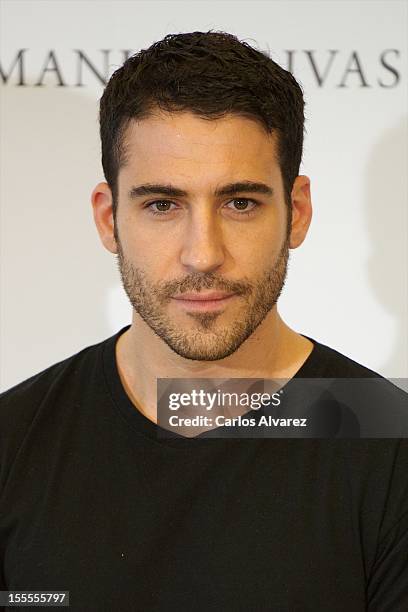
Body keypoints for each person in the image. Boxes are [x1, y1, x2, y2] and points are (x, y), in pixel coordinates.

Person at [0, 31, 407, 611]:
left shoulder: (392, 444)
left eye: (240, 202)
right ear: (109, 219)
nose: (203, 254)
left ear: (297, 212)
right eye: (162, 205)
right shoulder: (14, 441)